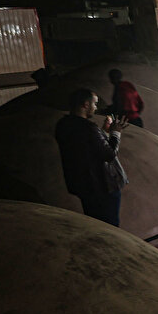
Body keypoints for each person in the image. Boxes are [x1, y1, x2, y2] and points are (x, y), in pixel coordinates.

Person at [54, 88, 128, 226]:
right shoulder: (88, 128)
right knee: (110, 226)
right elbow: (109, 154)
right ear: (85, 105)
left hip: (83, 186)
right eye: (94, 104)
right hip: (102, 186)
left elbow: (89, 148)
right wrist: (115, 133)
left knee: (95, 223)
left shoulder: (63, 125)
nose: (96, 107)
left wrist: (103, 133)